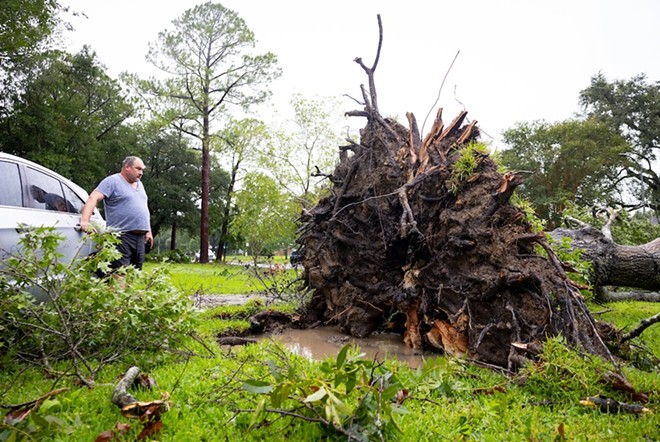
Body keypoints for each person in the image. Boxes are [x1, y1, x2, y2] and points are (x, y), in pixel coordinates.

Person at [80, 156, 153, 270]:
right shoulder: (112, 181)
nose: (141, 173)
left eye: (142, 170)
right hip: (121, 237)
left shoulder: (140, 184)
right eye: (138, 169)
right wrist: (85, 221)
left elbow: (143, 208)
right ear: (127, 167)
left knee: (133, 275)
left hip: (140, 238)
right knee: (119, 275)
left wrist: (148, 231)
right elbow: (93, 198)